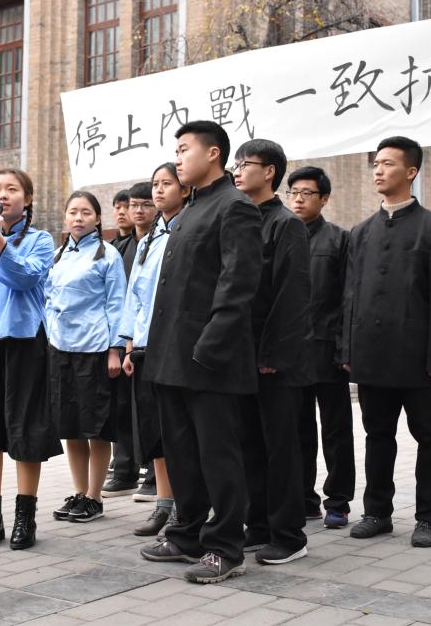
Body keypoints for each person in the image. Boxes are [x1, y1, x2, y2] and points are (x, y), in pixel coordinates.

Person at [140, 120, 261, 584]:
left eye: (184, 149)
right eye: (175, 150)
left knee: (218, 454)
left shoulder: (235, 207)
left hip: (210, 359)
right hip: (172, 356)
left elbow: (238, 283)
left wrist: (210, 346)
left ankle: (226, 547)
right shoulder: (190, 208)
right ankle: (187, 532)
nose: (177, 158)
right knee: (182, 452)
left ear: (213, 153)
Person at [342, 136, 431, 549]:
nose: (378, 170)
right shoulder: (360, 232)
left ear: (411, 172)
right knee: (377, 436)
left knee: (430, 436)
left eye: (388, 163)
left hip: (417, 357)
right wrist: (347, 350)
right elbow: (350, 295)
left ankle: (429, 517)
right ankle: (377, 512)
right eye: (376, 163)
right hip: (371, 354)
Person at [0, 168, 61, 551]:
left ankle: (25, 515)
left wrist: (1, 240)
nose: (2, 195)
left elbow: (26, 278)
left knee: (25, 428)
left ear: (28, 199)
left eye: (11, 189)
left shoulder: (40, 240)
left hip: (25, 342)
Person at [232, 140, 312, 565]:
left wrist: (272, 354)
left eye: (245, 164)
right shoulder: (239, 220)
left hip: (274, 358)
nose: (237, 170)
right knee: (249, 443)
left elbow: (292, 295)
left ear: (269, 172)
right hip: (241, 355)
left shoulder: (286, 225)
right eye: (236, 163)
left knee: (280, 446)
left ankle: (289, 534)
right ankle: (258, 524)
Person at [47, 191, 127, 524]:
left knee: (96, 427)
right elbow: (48, 298)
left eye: (85, 212)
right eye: (72, 212)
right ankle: (79, 493)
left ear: (97, 218)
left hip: (95, 349)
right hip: (60, 349)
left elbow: (116, 303)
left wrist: (114, 350)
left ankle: (95, 497)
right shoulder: (58, 255)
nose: (78, 218)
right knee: (71, 426)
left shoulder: (108, 255)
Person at [120, 162, 190, 537]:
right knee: (155, 431)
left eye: (167, 184)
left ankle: (186, 506)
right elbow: (134, 294)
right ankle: (164, 504)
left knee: (179, 432)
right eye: (155, 184)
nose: (159, 190)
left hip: (173, 346)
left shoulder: (187, 229)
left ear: (185, 189)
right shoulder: (148, 239)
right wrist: (129, 343)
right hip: (144, 346)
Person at [286, 166, 355, 530]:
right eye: (293, 192)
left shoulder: (339, 240)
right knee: (298, 430)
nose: (298, 199)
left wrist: (345, 350)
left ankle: (338, 501)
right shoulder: (282, 235)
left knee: (336, 430)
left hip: (327, 349)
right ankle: (304, 499)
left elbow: (348, 298)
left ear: (324, 199)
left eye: (307, 193)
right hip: (291, 353)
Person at [102, 182, 159, 501]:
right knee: (122, 407)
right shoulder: (119, 248)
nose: (136, 211)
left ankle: (153, 474)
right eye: (131, 205)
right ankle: (123, 470)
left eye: (144, 204)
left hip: (149, 338)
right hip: (123, 339)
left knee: (151, 410)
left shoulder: (160, 243)